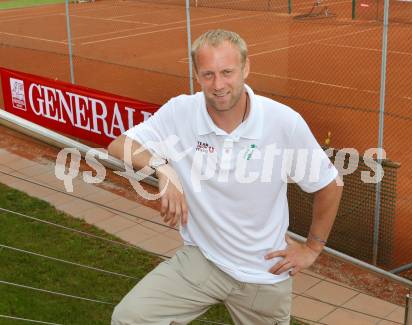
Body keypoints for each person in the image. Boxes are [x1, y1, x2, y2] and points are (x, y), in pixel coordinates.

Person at [109, 29, 343, 325]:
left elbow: (329, 183)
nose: (218, 85)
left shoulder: (283, 122)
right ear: (196, 74)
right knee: (129, 319)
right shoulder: (181, 111)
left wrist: (312, 248)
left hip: (264, 273)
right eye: (208, 74)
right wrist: (163, 170)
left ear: (246, 68)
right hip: (204, 260)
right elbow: (119, 144)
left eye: (227, 72)